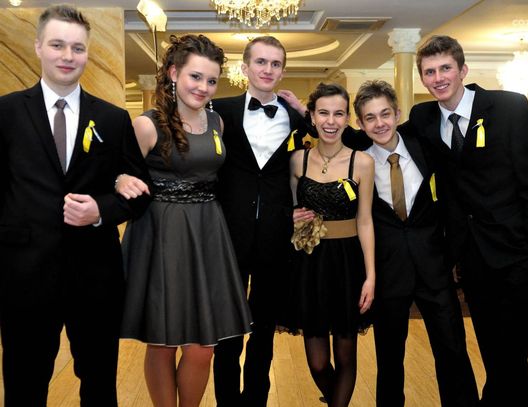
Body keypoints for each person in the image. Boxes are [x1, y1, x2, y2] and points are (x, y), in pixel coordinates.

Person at [0, 5, 151, 406]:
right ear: (38, 47)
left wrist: (101, 210)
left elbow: (140, 192)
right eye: (58, 45)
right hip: (24, 276)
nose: (68, 56)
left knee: (99, 386)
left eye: (78, 48)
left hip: (95, 277)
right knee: (24, 385)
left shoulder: (113, 119)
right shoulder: (6, 113)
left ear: (87, 52)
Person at [117, 34, 252, 407]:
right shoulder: (148, 124)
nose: (203, 87)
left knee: (203, 347)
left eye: (211, 80)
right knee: (163, 340)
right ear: (174, 73)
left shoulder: (216, 122)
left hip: (208, 232)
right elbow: (116, 172)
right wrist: (119, 179)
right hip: (163, 234)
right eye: (196, 76)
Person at [409, 35, 528, 406]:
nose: (438, 78)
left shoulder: (509, 107)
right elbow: (383, 135)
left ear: (463, 69)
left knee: (509, 355)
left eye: (445, 68)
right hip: (472, 260)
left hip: (518, 256)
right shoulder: (423, 117)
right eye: (429, 72)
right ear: (422, 78)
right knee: (499, 356)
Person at [354, 80, 478, 406]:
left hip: (434, 268)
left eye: (385, 114)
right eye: (370, 118)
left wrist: (451, 254)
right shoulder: (358, 163)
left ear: (397, 114)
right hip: (388, 273)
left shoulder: (425, 148)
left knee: (453, 350)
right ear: (360, 124)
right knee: (389, 359)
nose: (380, 123)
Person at [211, 35, 308, 407]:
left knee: (264, 328)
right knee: (227, 330)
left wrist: (304, 108)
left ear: (283, 71)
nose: (268, 69)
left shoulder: (297, 119)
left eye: (276, 64)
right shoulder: (218, 110)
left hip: (276, 234)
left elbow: (331, 141)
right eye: (261, 62)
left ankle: (256, 400)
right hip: (227, 233)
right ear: (245, 67)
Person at [282, 82, 375, 407]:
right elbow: (288, 207)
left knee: (346, 355)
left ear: (347, 118)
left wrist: (371, 277)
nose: (331, 121)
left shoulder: (362, 162)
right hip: (308, 264)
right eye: (323, 113)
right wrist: (290, 216)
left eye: (338, 113)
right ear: (312, 116)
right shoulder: (297, 160)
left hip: (348, 263)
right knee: (318, 362)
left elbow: (365, 221)